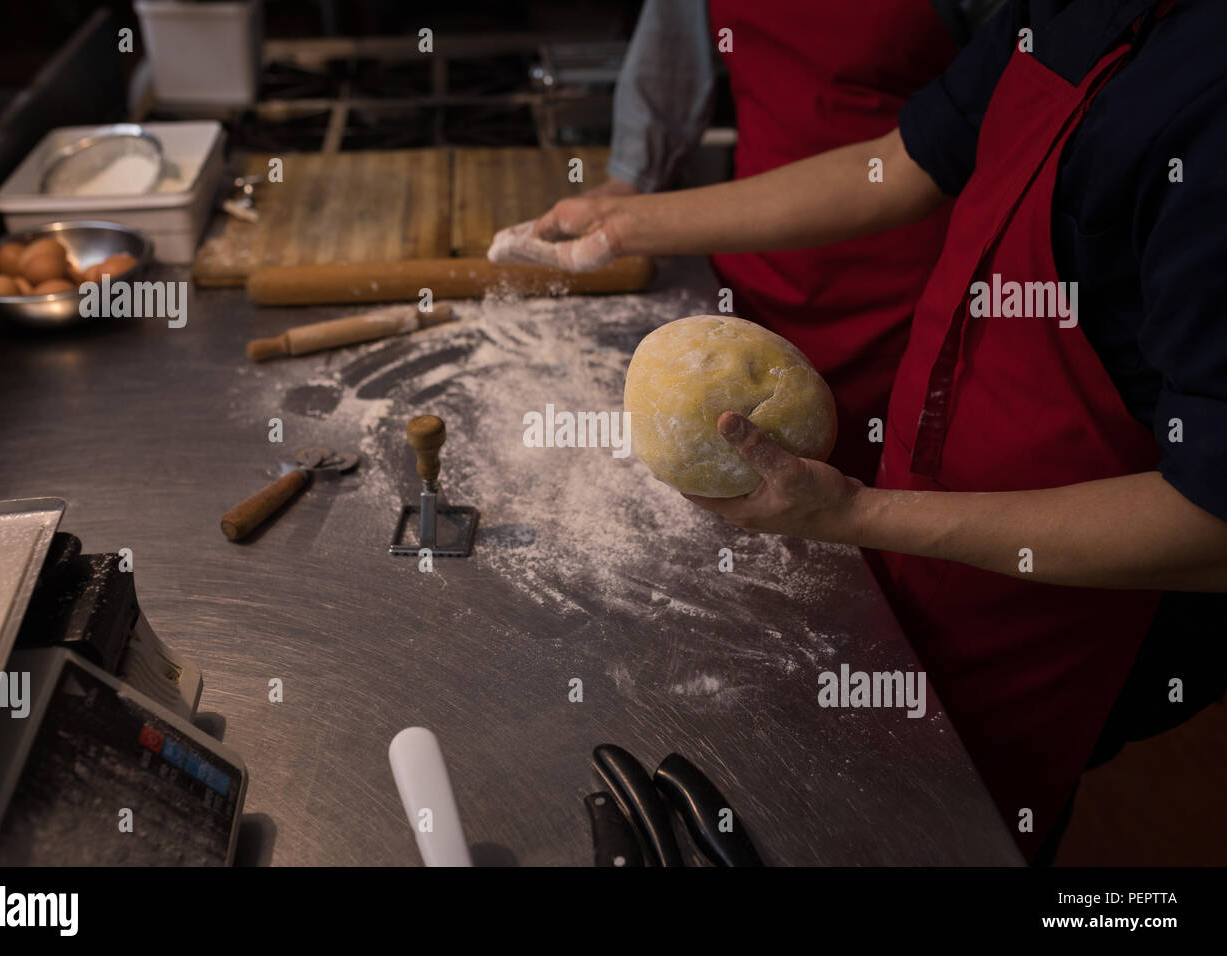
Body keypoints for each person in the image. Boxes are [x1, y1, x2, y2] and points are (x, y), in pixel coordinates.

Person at [492, 0, 1227, 862]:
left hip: (1058, 602)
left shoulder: (1209, 98)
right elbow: (902, 163)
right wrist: (622, 225)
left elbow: (1212, 522)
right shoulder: (1070, 7)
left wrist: (858, 515)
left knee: (957, 829)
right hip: (935, 510)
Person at [505, 0, 1004, 482]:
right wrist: (631, 180)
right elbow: (670, 51)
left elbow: (920, 158)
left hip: (900, 289)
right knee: (741, 484)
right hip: (747, 254)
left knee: (874, 499)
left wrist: (626, 223)